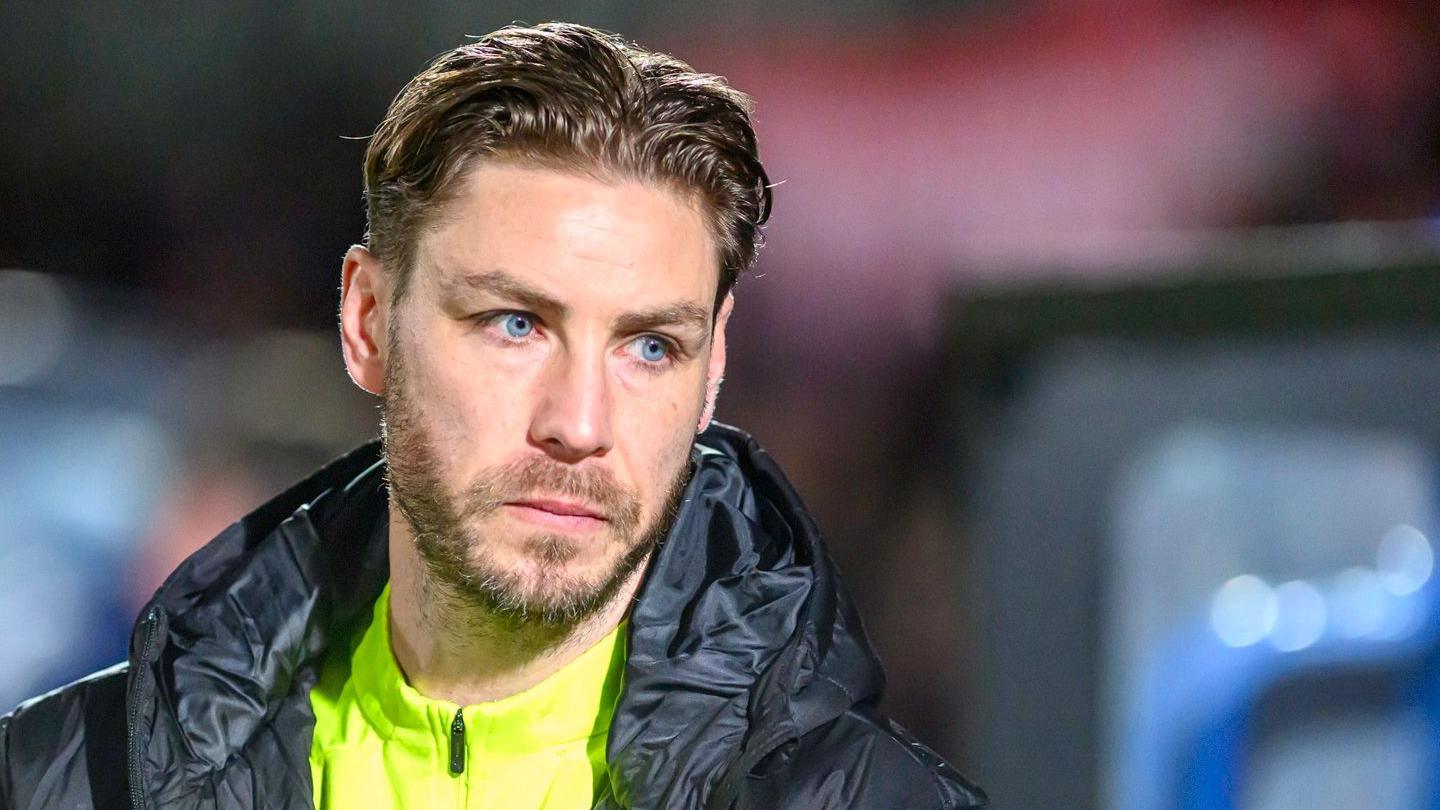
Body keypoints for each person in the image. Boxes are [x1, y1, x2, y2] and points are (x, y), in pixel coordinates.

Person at [0, 22, 985, 809]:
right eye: (516, 324)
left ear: (714, 366)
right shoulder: (66, 779)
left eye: (651, 347)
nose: (580, 422)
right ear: (368, 321)